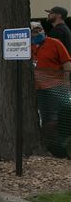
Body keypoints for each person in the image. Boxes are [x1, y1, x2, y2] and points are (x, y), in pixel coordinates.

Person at [31, 21, 71, 151]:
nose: (37, 32)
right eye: (33, 31)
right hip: (40, 88)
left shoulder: (55, 43)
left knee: (62, 114)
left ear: (43, 30)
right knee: (46, 116)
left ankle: (62, 145)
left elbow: (67, 63)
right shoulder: (29, 46)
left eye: (39, 29)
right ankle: (50, 145)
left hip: (57, 87)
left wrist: (66, 82)